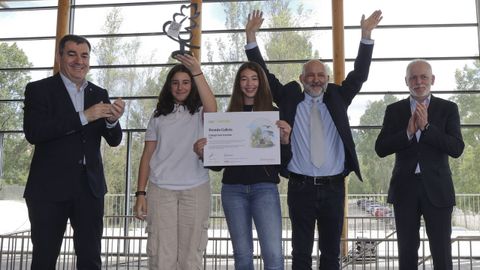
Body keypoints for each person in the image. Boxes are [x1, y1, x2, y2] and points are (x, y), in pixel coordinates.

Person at [245, 10, 383, 270]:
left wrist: (366, 36)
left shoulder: (339, 97)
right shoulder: (288, 97)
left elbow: (359, 75)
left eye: (321, 75)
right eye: (310, 75)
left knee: (331, 254)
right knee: (300, 254)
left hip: (334, 188)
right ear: (302, 79)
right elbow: (264, 76)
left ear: (328, 79)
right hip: (300, 188)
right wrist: (251, 37)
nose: (316, 79)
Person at [23, 34, 125, 270]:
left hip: (90, 189)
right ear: (59, 57)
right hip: (48, 190)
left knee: (90, 259)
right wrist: (83, 117)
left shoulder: (99, 93)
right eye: (72, 54)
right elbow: (35, 132)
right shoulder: (39, 89)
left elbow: (114, 140)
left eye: (84, 55)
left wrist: (112, 121)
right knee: (44, 258)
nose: (79, 61)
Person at [194, 61, 292, 270]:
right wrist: (205, 154)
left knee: (273, 254)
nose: (249, 84)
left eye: (254, 78)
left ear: (261, 82)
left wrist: (285, 141)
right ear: (238, 84)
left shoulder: (273, 115)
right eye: (244, 79)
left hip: (265, 189)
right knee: (242, 256)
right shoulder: (227, 117)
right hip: (233, 191)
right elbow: (218, 166)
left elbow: (284, 166)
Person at [375, 59, 464, 270]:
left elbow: (456, 148)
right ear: (406, 81)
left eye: (423, 77)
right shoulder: (394, 110)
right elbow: (381, 148)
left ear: (432, 79)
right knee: (406, 252)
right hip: (404, 189)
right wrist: (407, 133)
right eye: (413, 77)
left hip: (438, 190)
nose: (419, 81)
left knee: (441, 252)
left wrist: (426, 128)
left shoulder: (448, 108)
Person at [133, 53, 217, 270]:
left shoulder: (200, 112)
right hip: (161, 191)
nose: (180, 87)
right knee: (162, 256)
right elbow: (147, 155)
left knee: (191, 257)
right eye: (176, 83)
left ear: (193, 85)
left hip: (196, 189)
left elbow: (213, 107)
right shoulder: (157, 116)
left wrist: (197, 71)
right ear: (169, 86)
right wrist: (140, 193)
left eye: (186, 83)